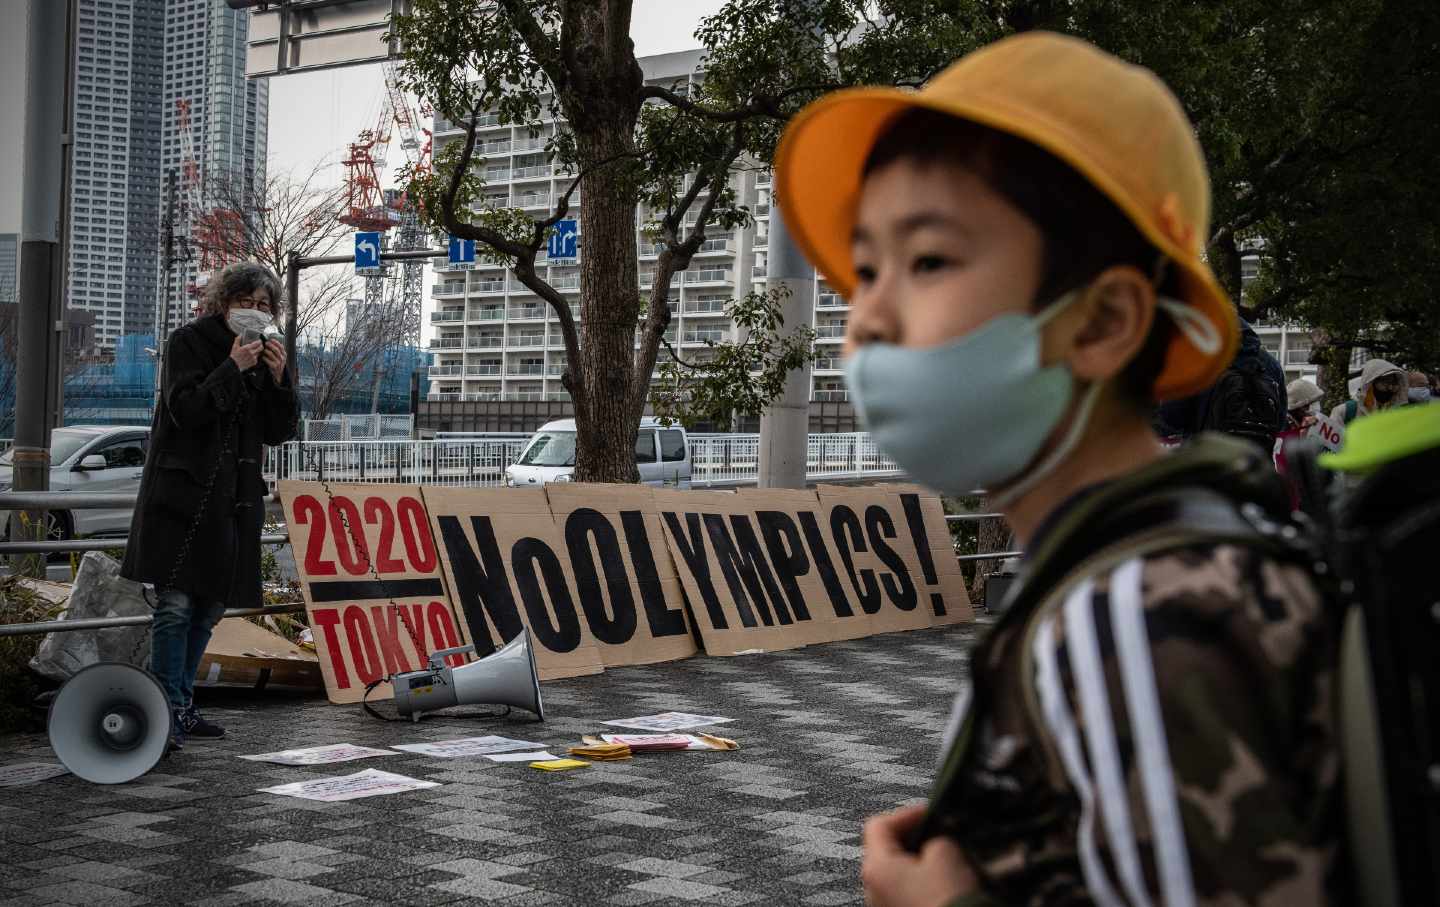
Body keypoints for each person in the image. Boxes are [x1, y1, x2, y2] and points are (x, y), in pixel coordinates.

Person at [775, 32, 1337, 905]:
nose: (867, 319)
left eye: (927, 261)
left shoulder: (1131, 616)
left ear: (1105, 320)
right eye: (866, 268)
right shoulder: (1166, 565)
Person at [122, 262, 299, 748]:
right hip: (180, 495)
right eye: (247, 303)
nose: (256, 313)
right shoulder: (188, 342)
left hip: (234, 499)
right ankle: (167, 708)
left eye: (265, 307)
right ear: (225, 302)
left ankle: (180, 704)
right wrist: (232, 367)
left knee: (210, 608)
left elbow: (282, 433)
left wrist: (280, 380)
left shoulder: (269, 353)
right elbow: (185, 410)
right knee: (176, 604)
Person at [1332, 358, 1405, 424]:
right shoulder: (1345, 411)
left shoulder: (1397, 414)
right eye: (1386, 382)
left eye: (1393, 383)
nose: (1390, 387)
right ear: (1371, 383)